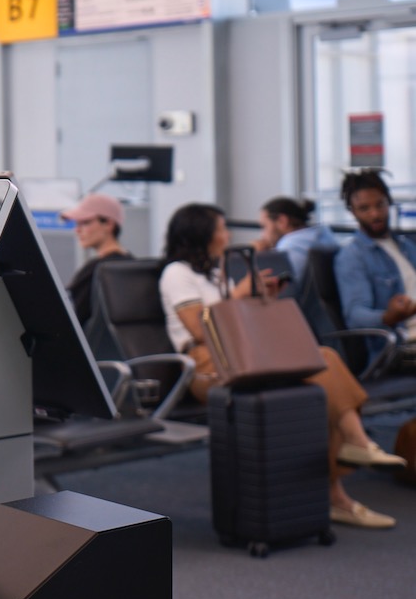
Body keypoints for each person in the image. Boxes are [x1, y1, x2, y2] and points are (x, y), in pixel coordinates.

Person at [159, 202, 404, 529]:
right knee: (321, 370)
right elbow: (199, 329)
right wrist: (242, 292)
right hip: (206, 366)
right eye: (221, 228)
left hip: (240, 355)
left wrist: (261, 297)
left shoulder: (215, 274)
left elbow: (235, 321)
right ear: (201, 235)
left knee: (324, 361)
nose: (227, 234)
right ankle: (352, 456)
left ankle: (349, 462)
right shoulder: (177, 273)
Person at [333, 169, 416, 347]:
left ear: (389, 202)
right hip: (403, 347)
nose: (375, 214)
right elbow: (355, 316)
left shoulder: (406, 246)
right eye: (364, 208)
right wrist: (389, 316)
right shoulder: (352, 257)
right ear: (352, 212)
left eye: (380, 205)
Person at [60, 193, 131, 327]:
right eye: (77, 223)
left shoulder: (97, 269)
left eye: (85, 222)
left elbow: (76, 317)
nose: (78, 230)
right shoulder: (132, 265)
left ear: (109, 224)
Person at [254, 196, 336, 292]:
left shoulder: (287, 249)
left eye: (264, 226)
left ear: (282, 221)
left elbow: (272, 290)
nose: (262, 235)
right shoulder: (325, 238)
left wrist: (257, 257)